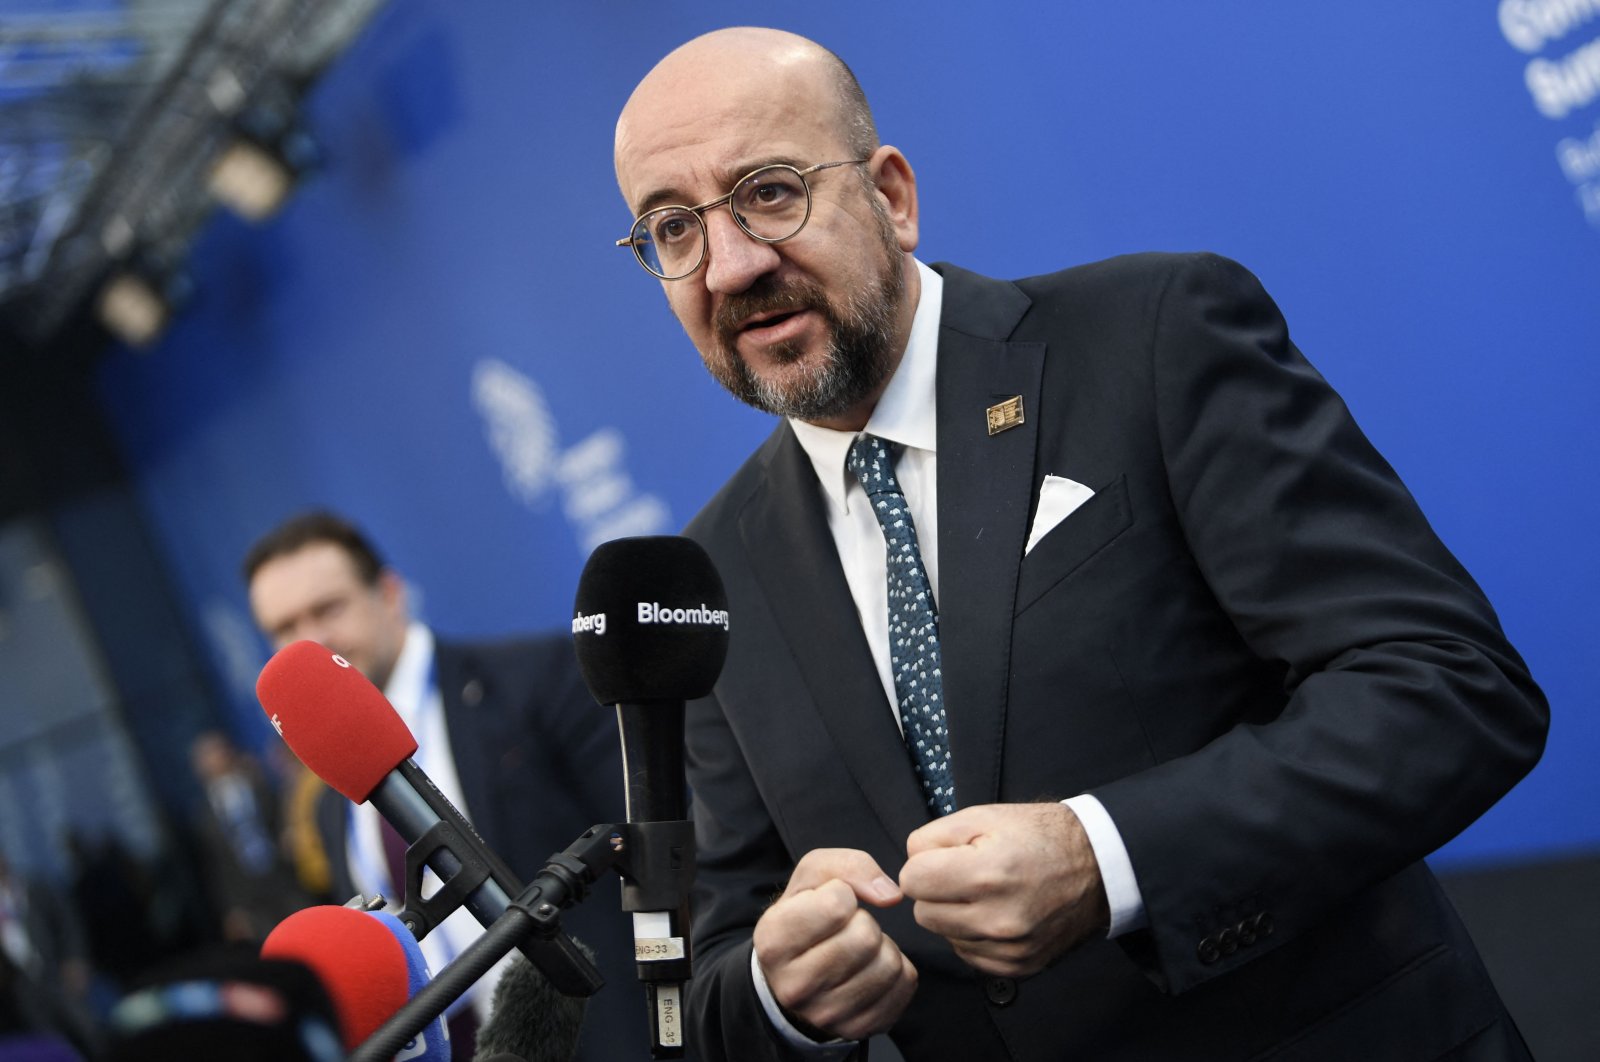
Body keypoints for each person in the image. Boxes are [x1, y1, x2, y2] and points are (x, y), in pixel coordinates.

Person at [611, 26, 1550, 1062]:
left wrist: (1106, 859)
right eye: (672, 228)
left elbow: (1450, 691)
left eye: (771, 191)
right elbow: (709, 976)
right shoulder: (713, 575)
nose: (732, 263)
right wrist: (780, 992)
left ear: (891, 196)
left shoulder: (1151, 337)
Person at [242, 510, 640, 1062]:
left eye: (328, 608)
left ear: (389, 594)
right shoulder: (330, 804)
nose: (311, 639)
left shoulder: (538, 680)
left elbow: (646, 844)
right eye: (284, 628)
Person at [188, 729, 316, 943]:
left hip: (286, 877)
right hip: (251, 896)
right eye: (208, 756)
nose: (216, 759)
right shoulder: (205, 816)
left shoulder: (259, 785)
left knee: (311, 929)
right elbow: (216, 866)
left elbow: (281, 817)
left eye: (218, 751)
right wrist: (232, 909)